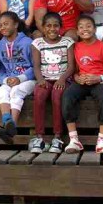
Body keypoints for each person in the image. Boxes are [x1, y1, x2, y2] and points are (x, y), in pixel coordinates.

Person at [62, 15, 103, 155]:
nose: (85, 29)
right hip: (82, 82)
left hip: (99, 81)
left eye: (88, 26)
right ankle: (74, 140)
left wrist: (99, 78)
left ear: (95, 29)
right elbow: (74, 70)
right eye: (81, 27)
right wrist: (76, 77)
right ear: (77, 31)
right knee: (67, 96)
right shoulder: (76, 47)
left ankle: (101, 142)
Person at [30, 12, 75, 154]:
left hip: (62, 80)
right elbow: (36, 66)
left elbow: (71, 66)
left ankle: (57, 137)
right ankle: (39, 137)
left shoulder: (67, 42)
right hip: (45, 79)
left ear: (61, 28)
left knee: (57, 96)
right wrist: (40, 80)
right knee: (39, 95)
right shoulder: (37, 43)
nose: (52, 29)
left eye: (56, 26)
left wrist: (62, 78)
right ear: (43, 28)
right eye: (48, 26)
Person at [0, 11, 35, 145]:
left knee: (16, 91)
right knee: (1, 91)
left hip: (28, 80)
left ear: (16, 24)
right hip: (9, 80)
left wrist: (21, 78)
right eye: (0, 25)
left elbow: (36, 67)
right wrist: (5, 80)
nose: (3, 27)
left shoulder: (28, 43)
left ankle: (11, 127)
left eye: (6, 24)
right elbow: (1, 70)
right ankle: (7, 121)